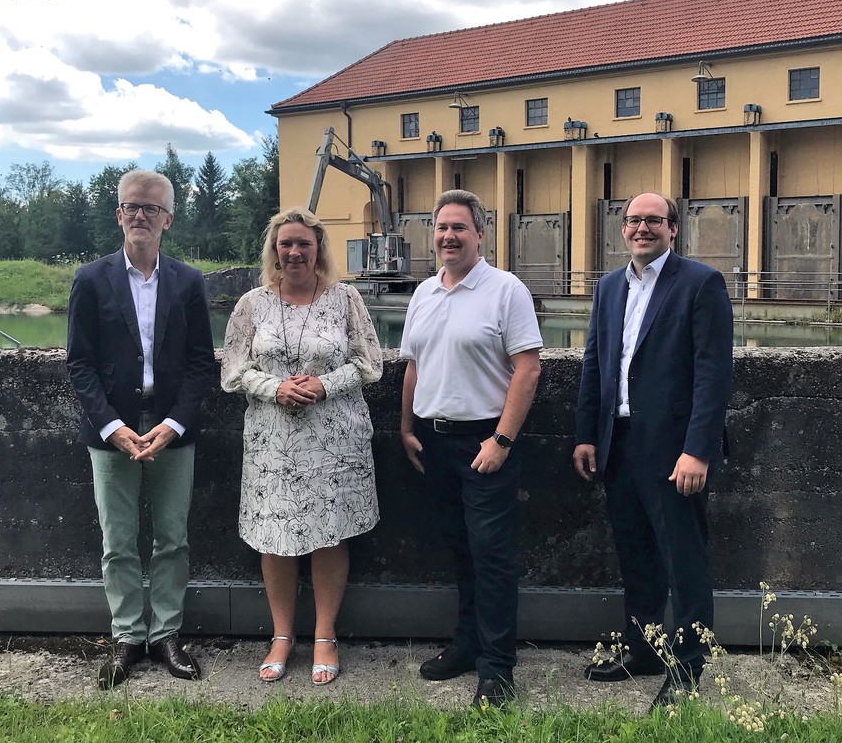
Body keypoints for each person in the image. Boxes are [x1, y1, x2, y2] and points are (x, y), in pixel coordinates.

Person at [573, 192, 733, 709]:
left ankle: (688, 669)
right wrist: (586, 434)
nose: (643, 228)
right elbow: (595, 363)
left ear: (673, 229)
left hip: (672, 450)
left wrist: (698, 450)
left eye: (654, 221)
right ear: (622, 229)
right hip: (617, 443)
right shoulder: (608, 287)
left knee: (683, 559)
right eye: (634, 220)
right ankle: (641, 651)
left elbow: (714, 374)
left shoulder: (700, 282)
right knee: (636, 555)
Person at [66, 169, 216, 689]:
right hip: (112, 429)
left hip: (172, 426)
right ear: (119, 215)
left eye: (151, 209)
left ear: (168, 219)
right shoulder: (90, 279)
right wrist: (110, 426)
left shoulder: (190, 281)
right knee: (118, 540)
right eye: (132, 207)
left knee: (172, 537)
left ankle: (165, 634)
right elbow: (79, 365)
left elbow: (202, 364)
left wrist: (175, 424)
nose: (141, 216)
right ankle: (128, 635)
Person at [221, 207, 382, 685]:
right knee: (276, 538)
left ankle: (326, 635)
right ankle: (282, 635)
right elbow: (232, 369)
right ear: (274, 250)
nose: (293, 252)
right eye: (285, 243)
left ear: (318, 250)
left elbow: (370, 362)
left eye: (303, 244)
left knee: (330, 535)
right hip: (273, 444)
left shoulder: (345, 299)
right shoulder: (252, 304)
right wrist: (275, 388)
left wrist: (324, 384)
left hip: (334, 440)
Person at [399, 189, 542, 709]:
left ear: (480, 234)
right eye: (441, 228)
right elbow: (413, 365)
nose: (449, 236)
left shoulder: (506, 290)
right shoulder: (423, 293)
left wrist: (502, 440)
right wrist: (404, 427)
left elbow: (528, 368)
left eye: (460, 227)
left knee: (492, 553)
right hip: (433, 442)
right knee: (459, 549)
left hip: (485, 439)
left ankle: (497, 666)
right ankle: (467, 643)